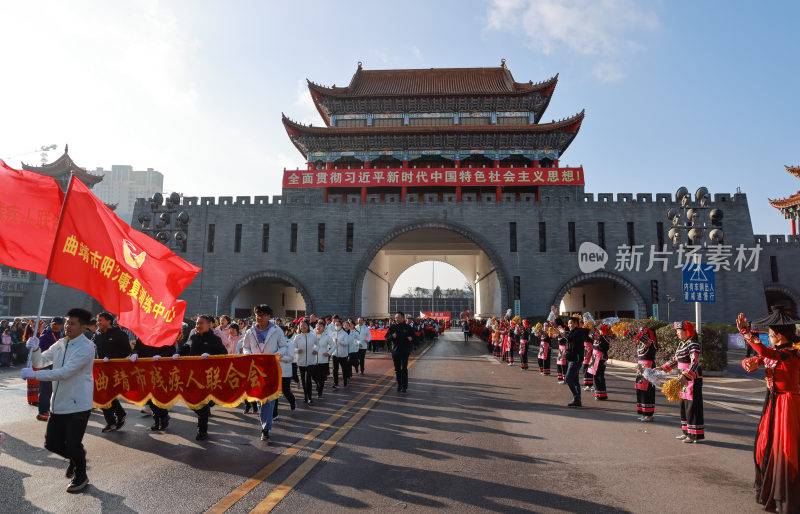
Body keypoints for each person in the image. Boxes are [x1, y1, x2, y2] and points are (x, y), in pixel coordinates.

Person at [21, 308, 95, 493]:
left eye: (72, 323)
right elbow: (40, 362)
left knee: (72, 443)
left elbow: (66, 372)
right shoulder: (61, 343)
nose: (67, 326)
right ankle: (76, 457)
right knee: (51, 443)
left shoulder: (86, 347)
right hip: (58, 403)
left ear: (84, 326)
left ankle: (81, 474)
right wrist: (36, 348)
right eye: (67, 322)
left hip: (78, 404)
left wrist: (35, 376)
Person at [737, 307, 800, 513]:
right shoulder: (780, 352)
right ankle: (771, 490)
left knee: (787, 450)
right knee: (765, 446)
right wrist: (750, 362)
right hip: (773, 402)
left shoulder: (792, 353)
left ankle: (787, 496)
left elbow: (766, 352)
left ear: (779, 336)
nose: (769, 338)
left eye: (770, 334)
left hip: (787, 404)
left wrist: (746, 333)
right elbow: (760, 358)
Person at [179, 314, 227, 441]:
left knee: (203, 404)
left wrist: (210, 355)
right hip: (193, 376)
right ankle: (208, 406)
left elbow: (224, 354)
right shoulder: (193, 337)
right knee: (191, 402)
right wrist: (176, 355)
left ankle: (202, 431)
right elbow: (185, 348)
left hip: (207, 378)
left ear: (208, 325)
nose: (198, 326)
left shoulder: (215, 339)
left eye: (201, 323)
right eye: (196, 323)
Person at [656, 321, 704, 443]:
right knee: (683, 406)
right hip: (682, 379)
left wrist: (686, 375)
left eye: (679, 331)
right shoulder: (682, 344)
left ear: (686, 331)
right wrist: (663, 367)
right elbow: (675, 360)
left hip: (691, 378)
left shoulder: (693, 344)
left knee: (691, 407)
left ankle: (694, 435)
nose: (677, 333)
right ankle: (686, 432)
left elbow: (695, 362)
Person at [242, 304, 282, 442]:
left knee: (269, 399)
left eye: (263, 315)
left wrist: (275, 355)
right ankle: (265, 423)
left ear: (269, 316)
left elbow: (284, 347)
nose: (260, 317)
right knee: (259, 398)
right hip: (256, 369)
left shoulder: (277, 331)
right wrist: (249, 355)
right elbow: (245, 347)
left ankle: (265, 428)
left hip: (271, 368)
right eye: (258, 314)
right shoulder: (250, 332)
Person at [94, 312, 131, 432]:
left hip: (115, 369)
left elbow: (126, 351)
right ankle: (112, 421)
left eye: (101, 320)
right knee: (103, 394)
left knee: (109, 394)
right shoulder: (97, 334)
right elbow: (91, 346)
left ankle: (117, 416)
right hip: (100, 369)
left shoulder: (119, 334)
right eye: (97, 320)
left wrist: (111, 357)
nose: (98, 323)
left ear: (109, 321)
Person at [131, 337, 175, 430]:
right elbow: (137, 348)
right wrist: (135, 353)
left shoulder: (164, 335)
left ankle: (162, 417)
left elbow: (171, 350)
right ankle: (160, 418)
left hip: (159, 370)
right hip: (144, 369)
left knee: (156, 397)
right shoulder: (143, 335)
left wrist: (161, 356)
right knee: (148, 397)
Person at [36, 317, 65, 421]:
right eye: (54, 324)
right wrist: (46, 367)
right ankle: (42, 411)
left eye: (59, 324)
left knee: (53, 390)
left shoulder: (59, 334)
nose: (56, 326)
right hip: (46, 368)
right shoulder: (45, 336)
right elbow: (41, 354)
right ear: (50, 324)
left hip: (55, 368)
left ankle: (49, 410)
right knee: (45, 391)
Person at [633, 327, 658, 422]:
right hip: (640, 367)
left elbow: (645, 340)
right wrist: (624, 329)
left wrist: (637, 332)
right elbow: (633, 338)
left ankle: (649, 414)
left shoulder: (651, 342)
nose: (641, 333)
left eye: (643, 332)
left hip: (648, 367)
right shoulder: (641, 343)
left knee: (648, 391)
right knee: (640, 390)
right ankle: (644, 412)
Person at [385, 311, 415, 393]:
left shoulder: (408, 327)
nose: (397, 319)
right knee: (397, 369)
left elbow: (414, 337)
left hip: (405, 351)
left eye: (398, 317)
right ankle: (399, 384)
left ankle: (404, 386)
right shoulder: (392, 327)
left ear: (403, 318)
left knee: (404, 369)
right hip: (395, 351)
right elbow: (386, 336)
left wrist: (411, 338)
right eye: (396, 318)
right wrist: (392, 336)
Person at [562, 315, 588, 407]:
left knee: (568, 379)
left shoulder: (579, 332)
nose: (569, 325)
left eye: (571, 323)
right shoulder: (573, 331)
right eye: (568, 323)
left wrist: (563, 332)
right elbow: (563, 328)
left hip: (576, 359)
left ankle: (576, 398)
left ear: (576, 324)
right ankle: (578, 401)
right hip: (571, 359)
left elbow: (571, 338)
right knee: (575, 380)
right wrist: (556, 315)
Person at [273, 325, 297, 419]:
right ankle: (275, 414)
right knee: (275, 393)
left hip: (285, 371)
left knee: (286, 391)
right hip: (275, 371)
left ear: (286, 332)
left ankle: (292, 401)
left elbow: (291, 358)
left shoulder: (289, 343)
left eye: (282, 331)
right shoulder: (273, 343)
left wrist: (280, 357)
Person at [293, 320, 318, 405]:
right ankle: (305, 396)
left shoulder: (313, 336)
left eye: (304, 325)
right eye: (301, 325)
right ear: (299, 327)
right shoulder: (297, 337)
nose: (303, 327)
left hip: (311, 361)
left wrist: (315, 350)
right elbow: (293, 347)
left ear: (308, 326)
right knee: (303, 380)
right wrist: (297, 350)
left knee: (308, 380)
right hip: (301, 361)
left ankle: (310, 397)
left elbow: (317, 345)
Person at [588, 324, 610, 400]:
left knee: (599, 376)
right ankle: (599, 393)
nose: (599, 331)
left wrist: (594, 332)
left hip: (600, 359)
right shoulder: (600, 336)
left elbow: (595, 337)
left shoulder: (605, 337)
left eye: (600, 329)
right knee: (596, 376)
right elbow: (592, 336)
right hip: (595, 358)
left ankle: (601, 394)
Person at [330, 319, 351, 389]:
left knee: (344, 369)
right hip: (335, 354)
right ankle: (335, 383)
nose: (337, 326)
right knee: (335, 369)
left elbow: (346, 343)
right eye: (335, 325)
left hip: (343, 355)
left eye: (338, 325)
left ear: (341, 326)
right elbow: (330, 343)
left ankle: (345, 380)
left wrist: (338, 341)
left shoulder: (344, 334)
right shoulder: (333, 333)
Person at [314, 321, 332, 399]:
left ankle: (320, 392)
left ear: (323, 328)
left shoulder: (327, 336)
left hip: (323, 360)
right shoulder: (312, 335)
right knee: (313, 377)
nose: (318, 327)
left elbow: (334, 346)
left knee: (321, 378)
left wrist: (328, 353)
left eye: (320, 326)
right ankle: (317, 384)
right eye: (317, 326)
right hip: (313, 360)